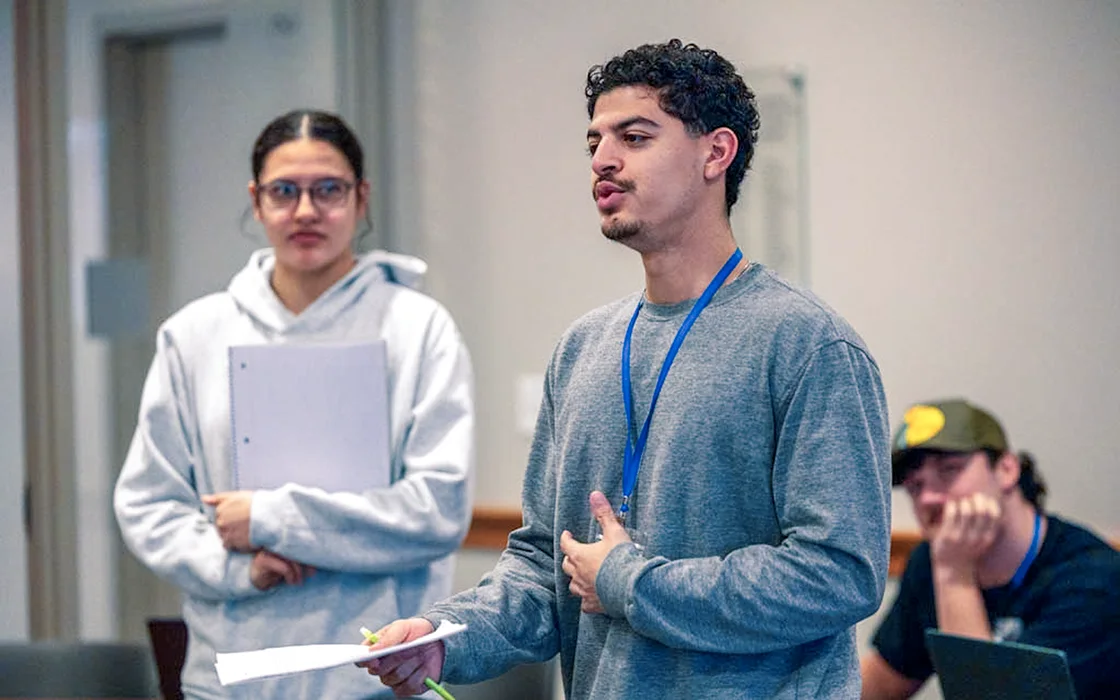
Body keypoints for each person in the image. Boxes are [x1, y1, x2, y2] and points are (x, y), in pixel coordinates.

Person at [360, 39, 892, 699]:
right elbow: (543, 568)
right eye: (595, 143)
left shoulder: (809, 346)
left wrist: (629, 581)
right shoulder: (582, 348)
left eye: (634, 138)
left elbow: (839, 574)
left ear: (716, 153)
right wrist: (446, 638)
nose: (602, 161)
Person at [113, 109, 475, 699]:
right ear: (256, 202)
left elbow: (438, 510)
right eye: (284, 191)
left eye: (328, 189)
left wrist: (271, 518)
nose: (305, 210)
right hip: (229, 680)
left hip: (374, 680)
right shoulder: (194, 335)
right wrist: (238, 568)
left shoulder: (417, 328)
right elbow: (148, 505)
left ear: (361, 198)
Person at [861, 398, 1120, 699]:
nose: (928, 498)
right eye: (915, 486)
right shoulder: (932, 559)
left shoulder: (1095, 579)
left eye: (949, 470)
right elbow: (886, 680)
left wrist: (955, 574)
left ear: (1007, 469)